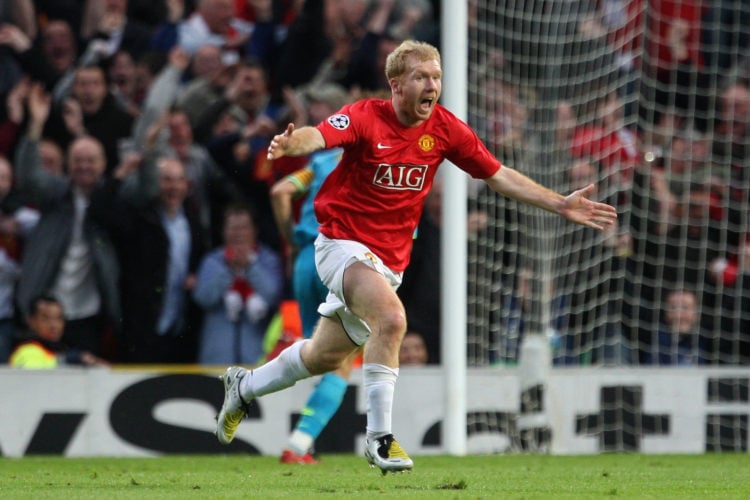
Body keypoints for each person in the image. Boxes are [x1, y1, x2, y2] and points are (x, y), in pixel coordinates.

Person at [215, 40, 617, 474]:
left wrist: (560, 203)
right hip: (340, 244)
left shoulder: (445, 128)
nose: (432, 85)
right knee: (392, 321)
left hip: (389, 263)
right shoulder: (366, 115)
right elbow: (322, 133)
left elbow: (498, 175)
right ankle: (379, 438)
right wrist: (296, 144)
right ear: (396, 84)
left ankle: (245, 384)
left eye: (437, 77)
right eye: (422, 77)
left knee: (323, 357)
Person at [192, 203, 283, 364]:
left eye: (243, 227)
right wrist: (228, 270)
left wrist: (250, 267)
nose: (238, 233)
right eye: (232, 228)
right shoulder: (213, 260)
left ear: (254, 230)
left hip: (257, 355)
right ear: (223, 231)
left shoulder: (269, 260)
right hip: (217, 356)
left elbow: (273, 296)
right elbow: (203, 298)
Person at [9, 294, 109, 368]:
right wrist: (68, 360)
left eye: (58, 318)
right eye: (46, 318)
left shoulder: (63, 349)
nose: (54, 325)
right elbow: (33, 373)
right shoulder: (26, 349)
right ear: (31, 322)